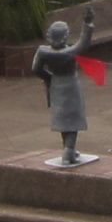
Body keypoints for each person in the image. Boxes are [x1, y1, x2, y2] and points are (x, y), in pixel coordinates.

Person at [33, 20, 91, 167]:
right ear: (65, 36)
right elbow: (83, 43)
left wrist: (49, 77)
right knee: (72, 120)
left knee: (62, 119)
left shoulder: (43, 51)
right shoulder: (69, 52)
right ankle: (68, 150)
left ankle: (68, 148)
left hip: (56, 85)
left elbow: (35, 69)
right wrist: (88, 24)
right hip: (71, 85)